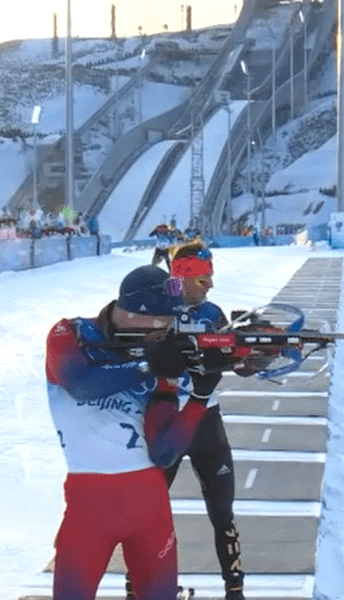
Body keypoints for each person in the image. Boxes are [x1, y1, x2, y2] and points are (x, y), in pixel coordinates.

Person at [45, 264, 211, 600]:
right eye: (164, 321)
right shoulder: (71, 333)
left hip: (150, 500)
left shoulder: (164, 352)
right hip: (88, 502)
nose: (168, 330)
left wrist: (200, 397)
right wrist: (148, 365)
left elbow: (163, 451)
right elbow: (81, 385)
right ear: (136, 314)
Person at [157, 243, 249, 600]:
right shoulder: (155, 308)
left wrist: (252, 358)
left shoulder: (213, 312)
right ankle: (142, 588)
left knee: (223, 511)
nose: (210, 285)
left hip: (206, 422)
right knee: (149, 513)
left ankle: (236, 590)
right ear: (181, 277)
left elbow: (238, 363)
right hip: (165, 420)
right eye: (203, 279)